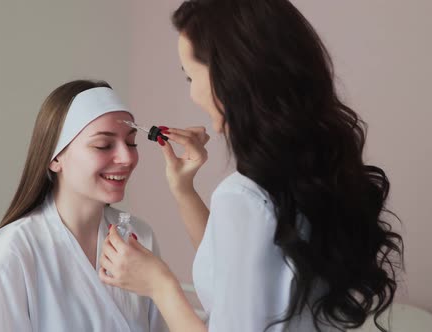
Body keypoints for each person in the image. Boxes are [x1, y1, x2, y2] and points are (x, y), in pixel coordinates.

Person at [98, 1, 404, 331]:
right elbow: (237, 271)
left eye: (190, 76)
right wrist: (184, 191)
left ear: (227, 77)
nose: (191, 93)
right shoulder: (309, 172)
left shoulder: (244, 196)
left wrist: (159, 284)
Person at [0, 80, 168, 332]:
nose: (127, 157)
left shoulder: (140, 237)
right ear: (55, 157)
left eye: (131, 143)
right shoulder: (12, 252)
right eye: (103, 145)